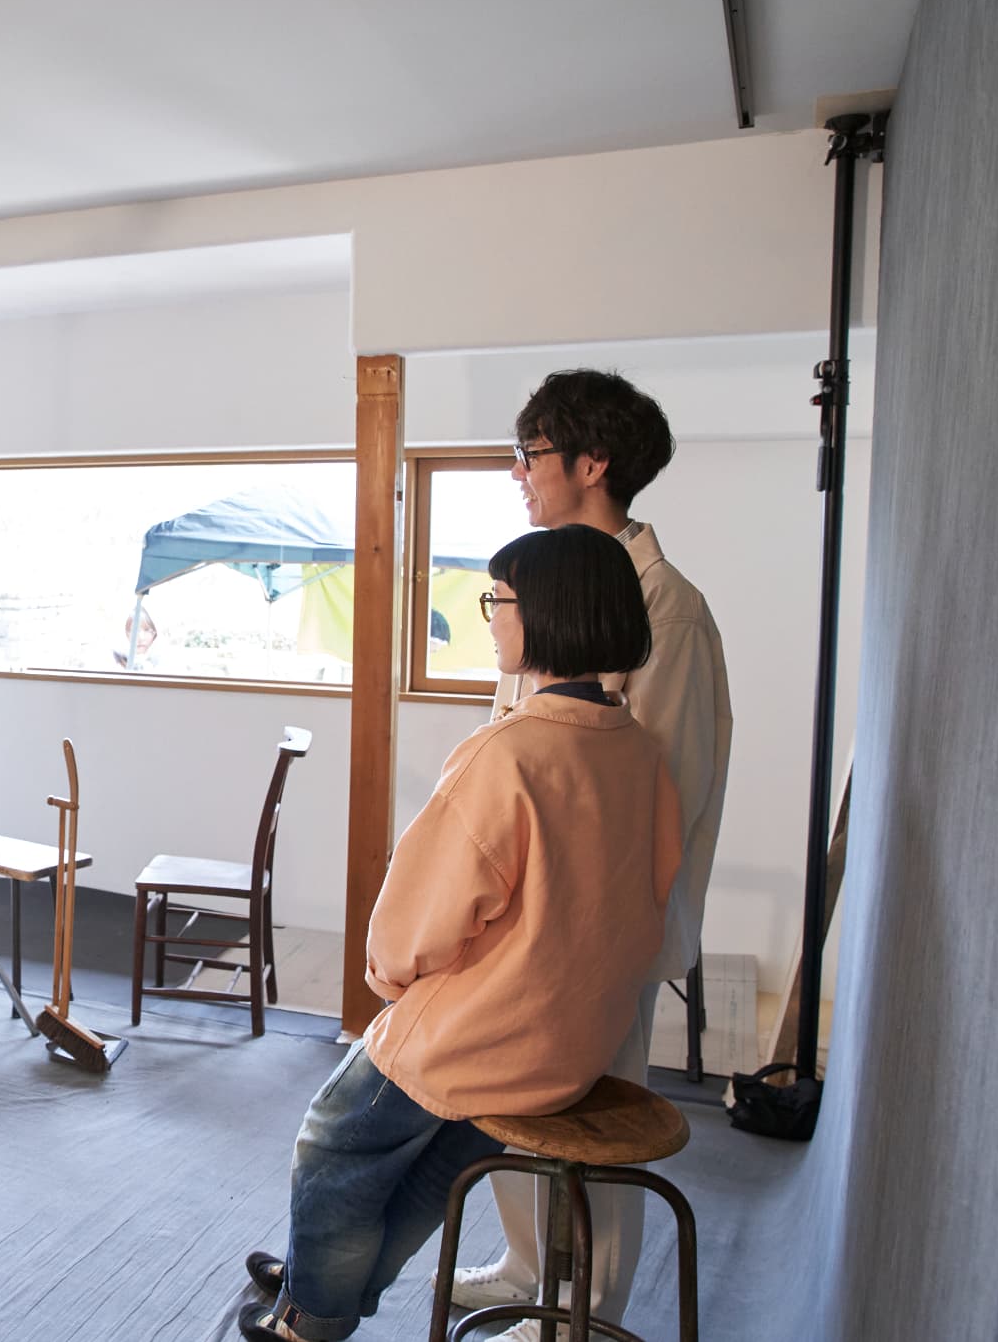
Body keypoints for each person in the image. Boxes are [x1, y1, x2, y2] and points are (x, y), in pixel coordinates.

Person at [237, 525, 682, 1342]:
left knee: (334, 1143)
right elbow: (649, 898)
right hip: (573, 1044)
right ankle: (322, 1282)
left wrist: (392, 986)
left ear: (546, 613)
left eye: (497, 599)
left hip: (479, 1033)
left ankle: (313, 1315)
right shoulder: (640, 752)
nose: (491, 617)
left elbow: (411, 927)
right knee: (433, 1164)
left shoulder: (508, 752)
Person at [453, 370, 734, 1339]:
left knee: (592, 1116)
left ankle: (581, 1314)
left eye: (528, 455)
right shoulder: (546, 583)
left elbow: (662, 795)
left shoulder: (669, 612)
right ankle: (528, 1267)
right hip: (524, 916)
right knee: (513, 1100)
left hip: (601, 928)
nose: (517, 474)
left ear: (591, 464)